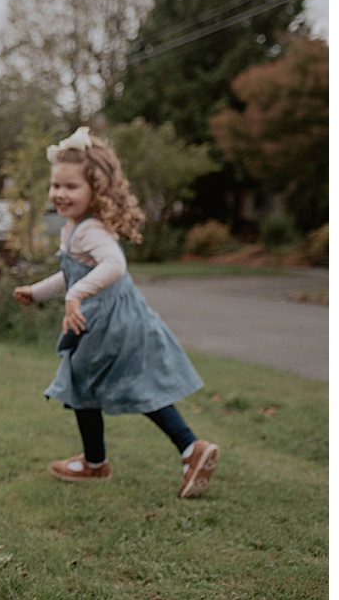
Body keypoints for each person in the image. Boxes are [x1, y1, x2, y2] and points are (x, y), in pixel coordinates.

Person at [13, 126, 218, 499]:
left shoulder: (90, 231)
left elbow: (114, 265)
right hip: (121, 321)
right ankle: (190, 449)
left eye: (70, 187)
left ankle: (96, 463)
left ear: (97, 190)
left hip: (105, 324)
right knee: (126, 385)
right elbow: (74, 272)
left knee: (80, 385)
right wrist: (40, 292)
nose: (59, 193)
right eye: (56, 185)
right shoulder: (78, 228)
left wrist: (74, 296)